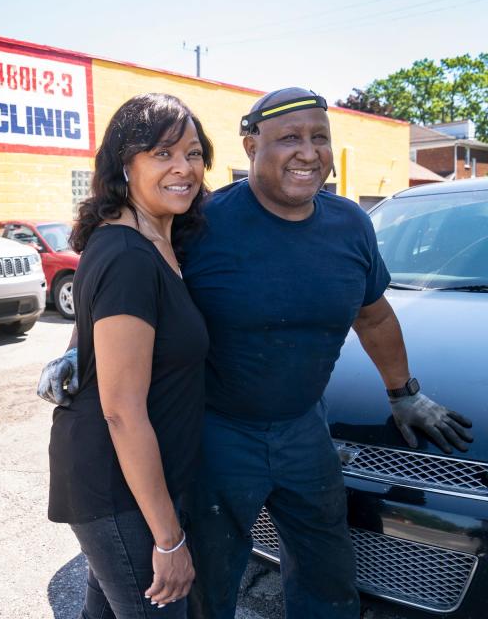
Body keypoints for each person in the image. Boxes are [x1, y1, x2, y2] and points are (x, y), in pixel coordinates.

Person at [39, 87, 474, 619]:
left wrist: (404, 393)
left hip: (305, 430)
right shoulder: (203, 221)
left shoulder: (351, 225)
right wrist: (76, 347)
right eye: (289, 137)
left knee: (327, 574)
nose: (308, 152)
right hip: (218, 434)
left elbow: (375, 315)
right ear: (251, 146)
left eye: (320, 137)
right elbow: (125, 291)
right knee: (209, 581)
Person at [47, 93, 214, 618]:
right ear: (126, 163)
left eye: (192, 153)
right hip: (121, 492)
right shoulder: (128, 255)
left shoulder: (154, 239)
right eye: (162, 154)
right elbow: (121, 409)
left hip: (130, 485)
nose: (183, 168)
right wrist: (168, 540)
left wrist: (74, 352)